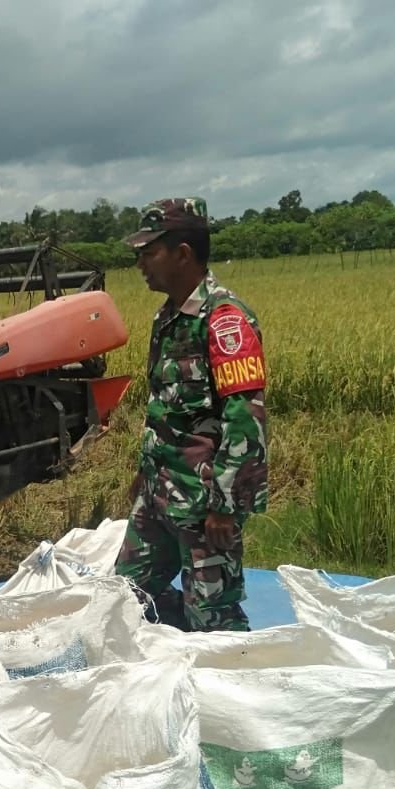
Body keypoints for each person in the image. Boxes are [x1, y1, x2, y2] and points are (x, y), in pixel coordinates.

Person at [116, 197, 268, 632]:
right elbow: (165, 407)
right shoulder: (167, 318)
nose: (141, 264)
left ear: (183, 254)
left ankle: (232, 693)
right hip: (160, 494)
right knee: (122, 601)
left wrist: (226, 505)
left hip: (204, 503)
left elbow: (244, 419)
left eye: (149, 253)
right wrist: (144, 475)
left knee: (213, 620)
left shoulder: (224, 320)